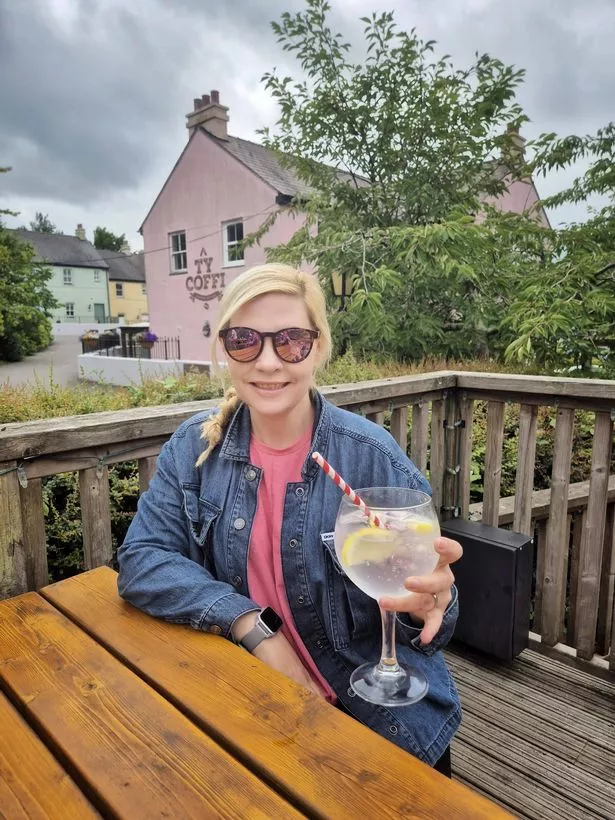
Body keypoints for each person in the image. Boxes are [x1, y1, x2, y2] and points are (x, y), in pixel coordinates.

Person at [117, 263, 462, 776]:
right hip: (260, 708)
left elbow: (435, 607)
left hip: (381, 723)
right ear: (225, 349)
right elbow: (142, 558)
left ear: (318, 347)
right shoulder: (194, 448)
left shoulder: (369, 455)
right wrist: (254, 626)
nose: (268, 362)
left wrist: (433, 603)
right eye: (244, 340)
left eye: (291, 341)